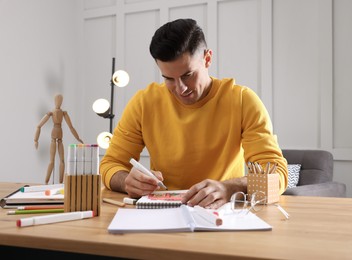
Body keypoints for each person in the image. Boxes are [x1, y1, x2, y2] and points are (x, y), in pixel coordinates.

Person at [100, 18, 288, 209]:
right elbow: (110, 164)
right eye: (168, 79)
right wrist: (126, 181)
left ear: (207, 59)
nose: (180, 88)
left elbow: (277, 174)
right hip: (162, 211)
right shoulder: (144, 102)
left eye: (187, 75)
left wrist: (229, 188)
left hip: (225, 214)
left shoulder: (242, 100)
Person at [34, 94, 84, 184]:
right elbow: (39, 126)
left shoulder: (64, 113)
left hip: (60, 136)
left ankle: (60, 182)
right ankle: (46, 181)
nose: (58, 102)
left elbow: (71, 127)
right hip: (54, 136)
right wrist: (36, 140)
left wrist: (78, 138)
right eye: (57, 100)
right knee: (52, 161)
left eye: (60, 101)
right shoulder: (51, 113)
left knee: (62, 160)